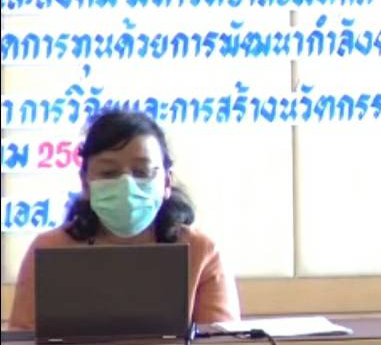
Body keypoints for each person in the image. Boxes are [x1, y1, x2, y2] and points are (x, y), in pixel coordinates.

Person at [9, 109, 240, 330]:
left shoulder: (201, 252)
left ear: (166, 182)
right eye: (109, 173)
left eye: (142, 172)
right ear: (85, 183)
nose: (126, 185)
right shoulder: (48, 249)